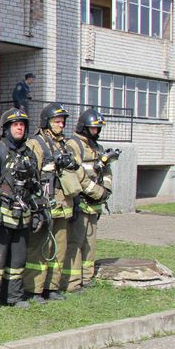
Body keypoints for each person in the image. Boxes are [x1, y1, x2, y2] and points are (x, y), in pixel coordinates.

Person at [0, 108, 42, 311]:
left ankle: (13, 296)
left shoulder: (29, 154)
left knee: (17, 259)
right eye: (15, 125)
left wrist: (38, 212)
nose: (19, 128)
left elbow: (35, 186)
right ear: (6, 128)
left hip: (21, 217)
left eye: (22, 125)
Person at [23, 103, 82, 303]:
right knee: (40, 249)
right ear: (46, 122)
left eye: (63, 121)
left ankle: (52, 287)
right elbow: (31, 176)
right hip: (44, 205)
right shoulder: (36, 144)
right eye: (57, 121)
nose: (61, 125)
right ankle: (34, 289)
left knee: (60, 248)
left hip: (64, 205)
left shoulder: (65, 144)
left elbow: (75, 168)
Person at [62, 108, 113, 292]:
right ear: (84, 127)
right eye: (93, 128)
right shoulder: (73, 145)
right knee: (75, 243)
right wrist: (97, 192)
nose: (96, 131)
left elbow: (106, 171)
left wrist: (106, 190)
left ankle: (87, 277)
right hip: (81, 202)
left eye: (98, 128)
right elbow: (78, 175)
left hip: (95, 205)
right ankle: (72, 282)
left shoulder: (97, 147)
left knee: (90, 243)